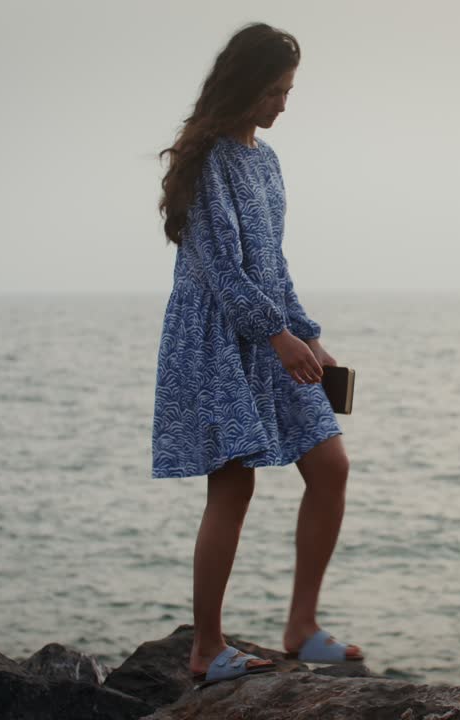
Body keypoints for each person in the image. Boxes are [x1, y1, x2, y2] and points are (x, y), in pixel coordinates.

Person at [151, 22, 364, 686]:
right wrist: (279, 335)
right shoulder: (211, 159)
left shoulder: (265, 160)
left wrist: (309, 334)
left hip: (271, 331)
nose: (283, 104)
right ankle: (207, 648)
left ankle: (301, 627)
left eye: (288, 90)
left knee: (329, 465)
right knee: (232, 484)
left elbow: (272, 263)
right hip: (219, 337)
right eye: (275, 90)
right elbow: (219, 267)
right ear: (246, 88)